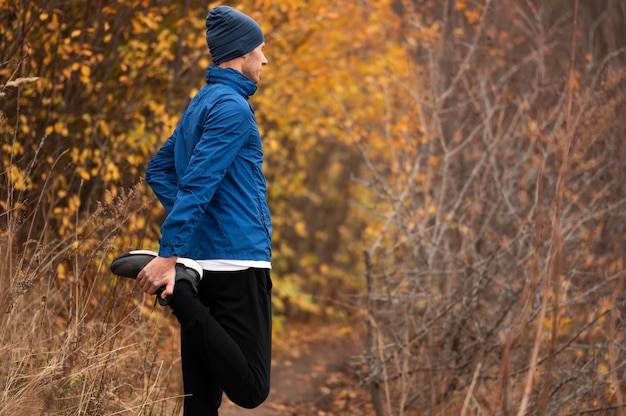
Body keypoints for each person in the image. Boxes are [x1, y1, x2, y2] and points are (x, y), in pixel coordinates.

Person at [135, 5, 272, 415]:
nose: (265, 59)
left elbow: (159, 170)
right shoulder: (231, 107)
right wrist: (169, 255)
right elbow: (198, 184)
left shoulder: (203, 102)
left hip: (203, 260)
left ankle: (183, 286)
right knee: (251, 389)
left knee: (200, 403)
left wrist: (191, 238)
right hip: (238, 261)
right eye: (260, 50)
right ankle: (179, 295)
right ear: (241, 53)